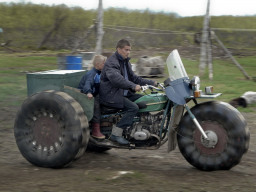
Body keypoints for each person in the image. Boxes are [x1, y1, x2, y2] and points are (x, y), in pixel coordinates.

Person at [99, 39, 157, 145]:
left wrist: (152, 82)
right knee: (133, 107)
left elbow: (134, 78)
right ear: (119, 49)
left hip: (123, 93)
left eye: (129, 50)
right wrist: (133, 86)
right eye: (126, 50)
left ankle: (145, 129)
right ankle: (116, 134)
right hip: (111, 95)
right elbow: (117, 79)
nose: (128, 52)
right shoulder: (112, 63)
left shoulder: (125, 62)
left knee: (146, 100)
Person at [78, 55, 107, 139]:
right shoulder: (92, 73)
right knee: (96, 105)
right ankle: (95, 130)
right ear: (97, 64)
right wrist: (89, 92)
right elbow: (87, 85)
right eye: (103, 63)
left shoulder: (100, 73)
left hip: (95, 94)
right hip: (85, 95)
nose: (105, 65)